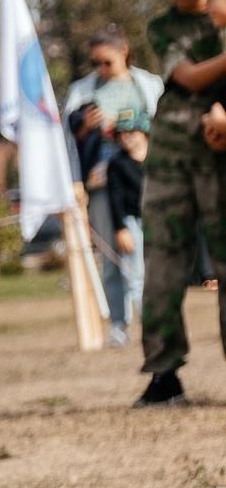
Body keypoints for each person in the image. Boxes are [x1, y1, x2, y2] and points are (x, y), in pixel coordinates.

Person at [137, 0, 226, 406]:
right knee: (164, 266)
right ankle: (163, 373)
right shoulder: (163, 28)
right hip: (171, 160)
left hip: (220, 159)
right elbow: (187, 78)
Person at [65, 25, 162, 349]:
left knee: (150, 253)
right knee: (112, 256)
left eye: (106, 62)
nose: (101, 69)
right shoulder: (83, 91)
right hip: (104, 182)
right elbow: (70, 138)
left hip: (146, 179)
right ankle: (119, 322)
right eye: (95, 64)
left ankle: (155, 317)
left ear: (124, 52)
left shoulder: (148, 85)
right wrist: (86, 130)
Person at [107, 109, 150, 338]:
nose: (126, 137)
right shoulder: (117, 163)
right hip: (133, 222)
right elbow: (115, 198)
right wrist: (120, 228)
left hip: (160, 220)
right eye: (121, 133)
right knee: (136, 275)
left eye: (131, 131)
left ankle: (167, 323)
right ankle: (150, 323)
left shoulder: (158, 157)